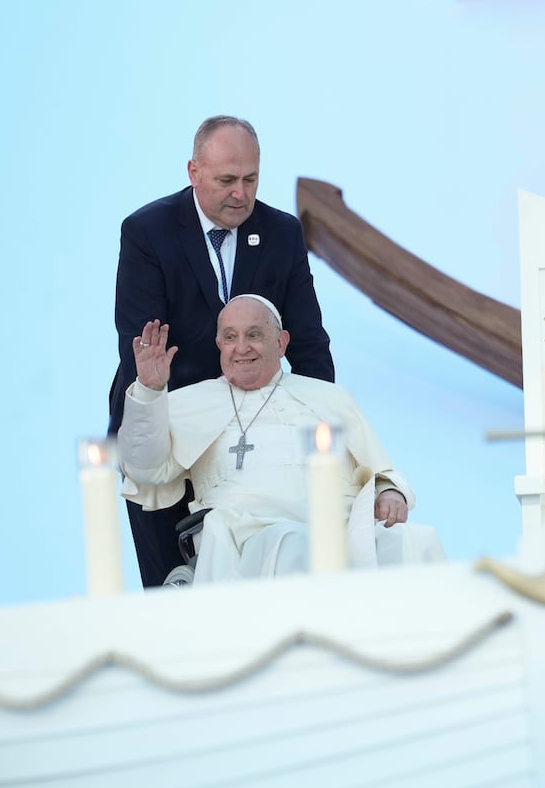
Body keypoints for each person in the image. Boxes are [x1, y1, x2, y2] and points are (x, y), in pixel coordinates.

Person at [108, 115, 334, 587]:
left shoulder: (282, 233)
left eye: (251, 179)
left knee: (262, 576)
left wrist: (323, 425)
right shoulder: (147, 232)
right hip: (168, 429)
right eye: (226, 180)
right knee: (174, 584)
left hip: (255, 434)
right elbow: (143, 349)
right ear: (193, 172)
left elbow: (309, 343)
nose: (240, 193)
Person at [118, 296, 442, 583]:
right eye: (230, 337)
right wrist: (149, 390)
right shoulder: (189, 403)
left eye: (254, 335)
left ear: (282, 342)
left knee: (412, 541)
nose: (241, 347)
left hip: (344, 526)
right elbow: (145, 470)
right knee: (295, 544)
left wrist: (389, 491)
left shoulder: (331, 398)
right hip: (247, 533)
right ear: (219, 344)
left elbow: (379, 471)